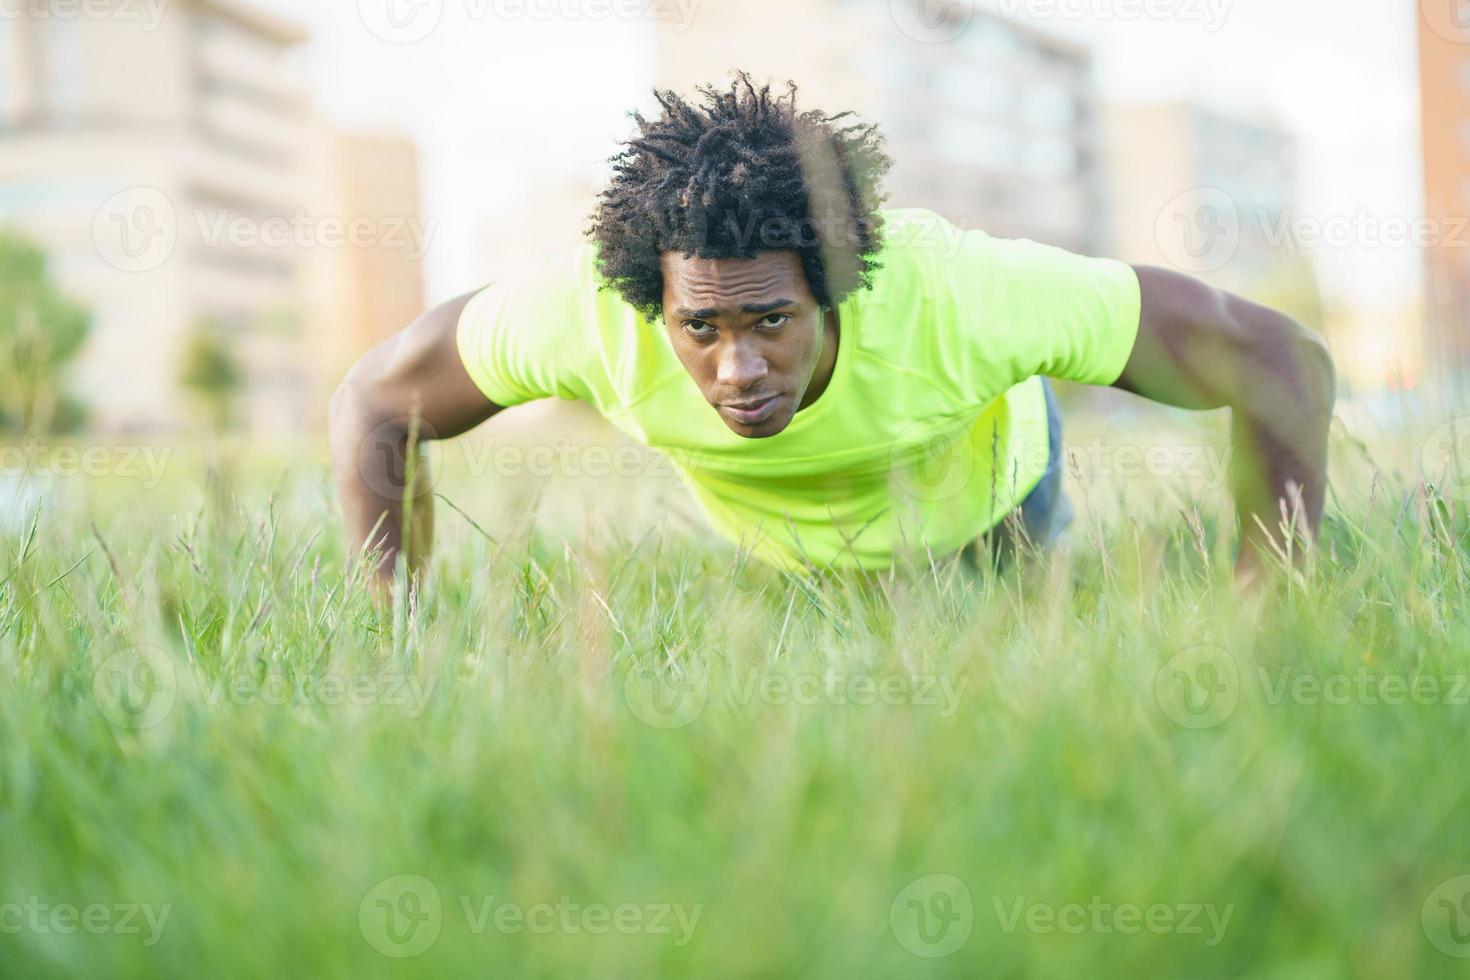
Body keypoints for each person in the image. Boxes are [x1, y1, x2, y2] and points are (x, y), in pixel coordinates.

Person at [330, 75, 1335, 589]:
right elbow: (373, 402)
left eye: (771, 318)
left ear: (839, 289)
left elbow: (1284, 361)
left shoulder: (964, 293)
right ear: (656, 305)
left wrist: (1271, 590)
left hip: (988, 508)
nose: (737, 366)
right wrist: (395, 623)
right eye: (701, 327)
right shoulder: (586, 312)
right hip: (789, 553)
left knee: (1013, 624)